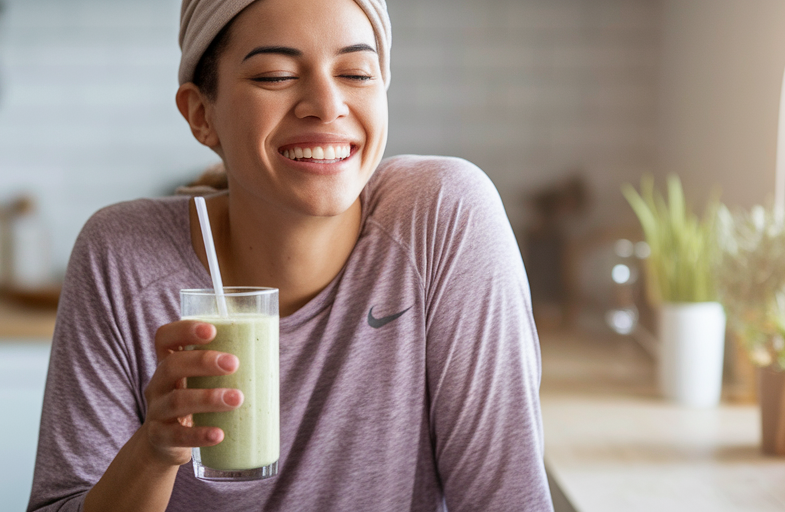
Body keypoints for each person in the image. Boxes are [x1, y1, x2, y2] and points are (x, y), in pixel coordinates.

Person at [27, 0, 551, 509]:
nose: (326, 105)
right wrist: (153, 452)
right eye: (275, 75)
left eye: (357, 73)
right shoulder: (121, 256)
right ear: (201, 115)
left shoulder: (441, 218)